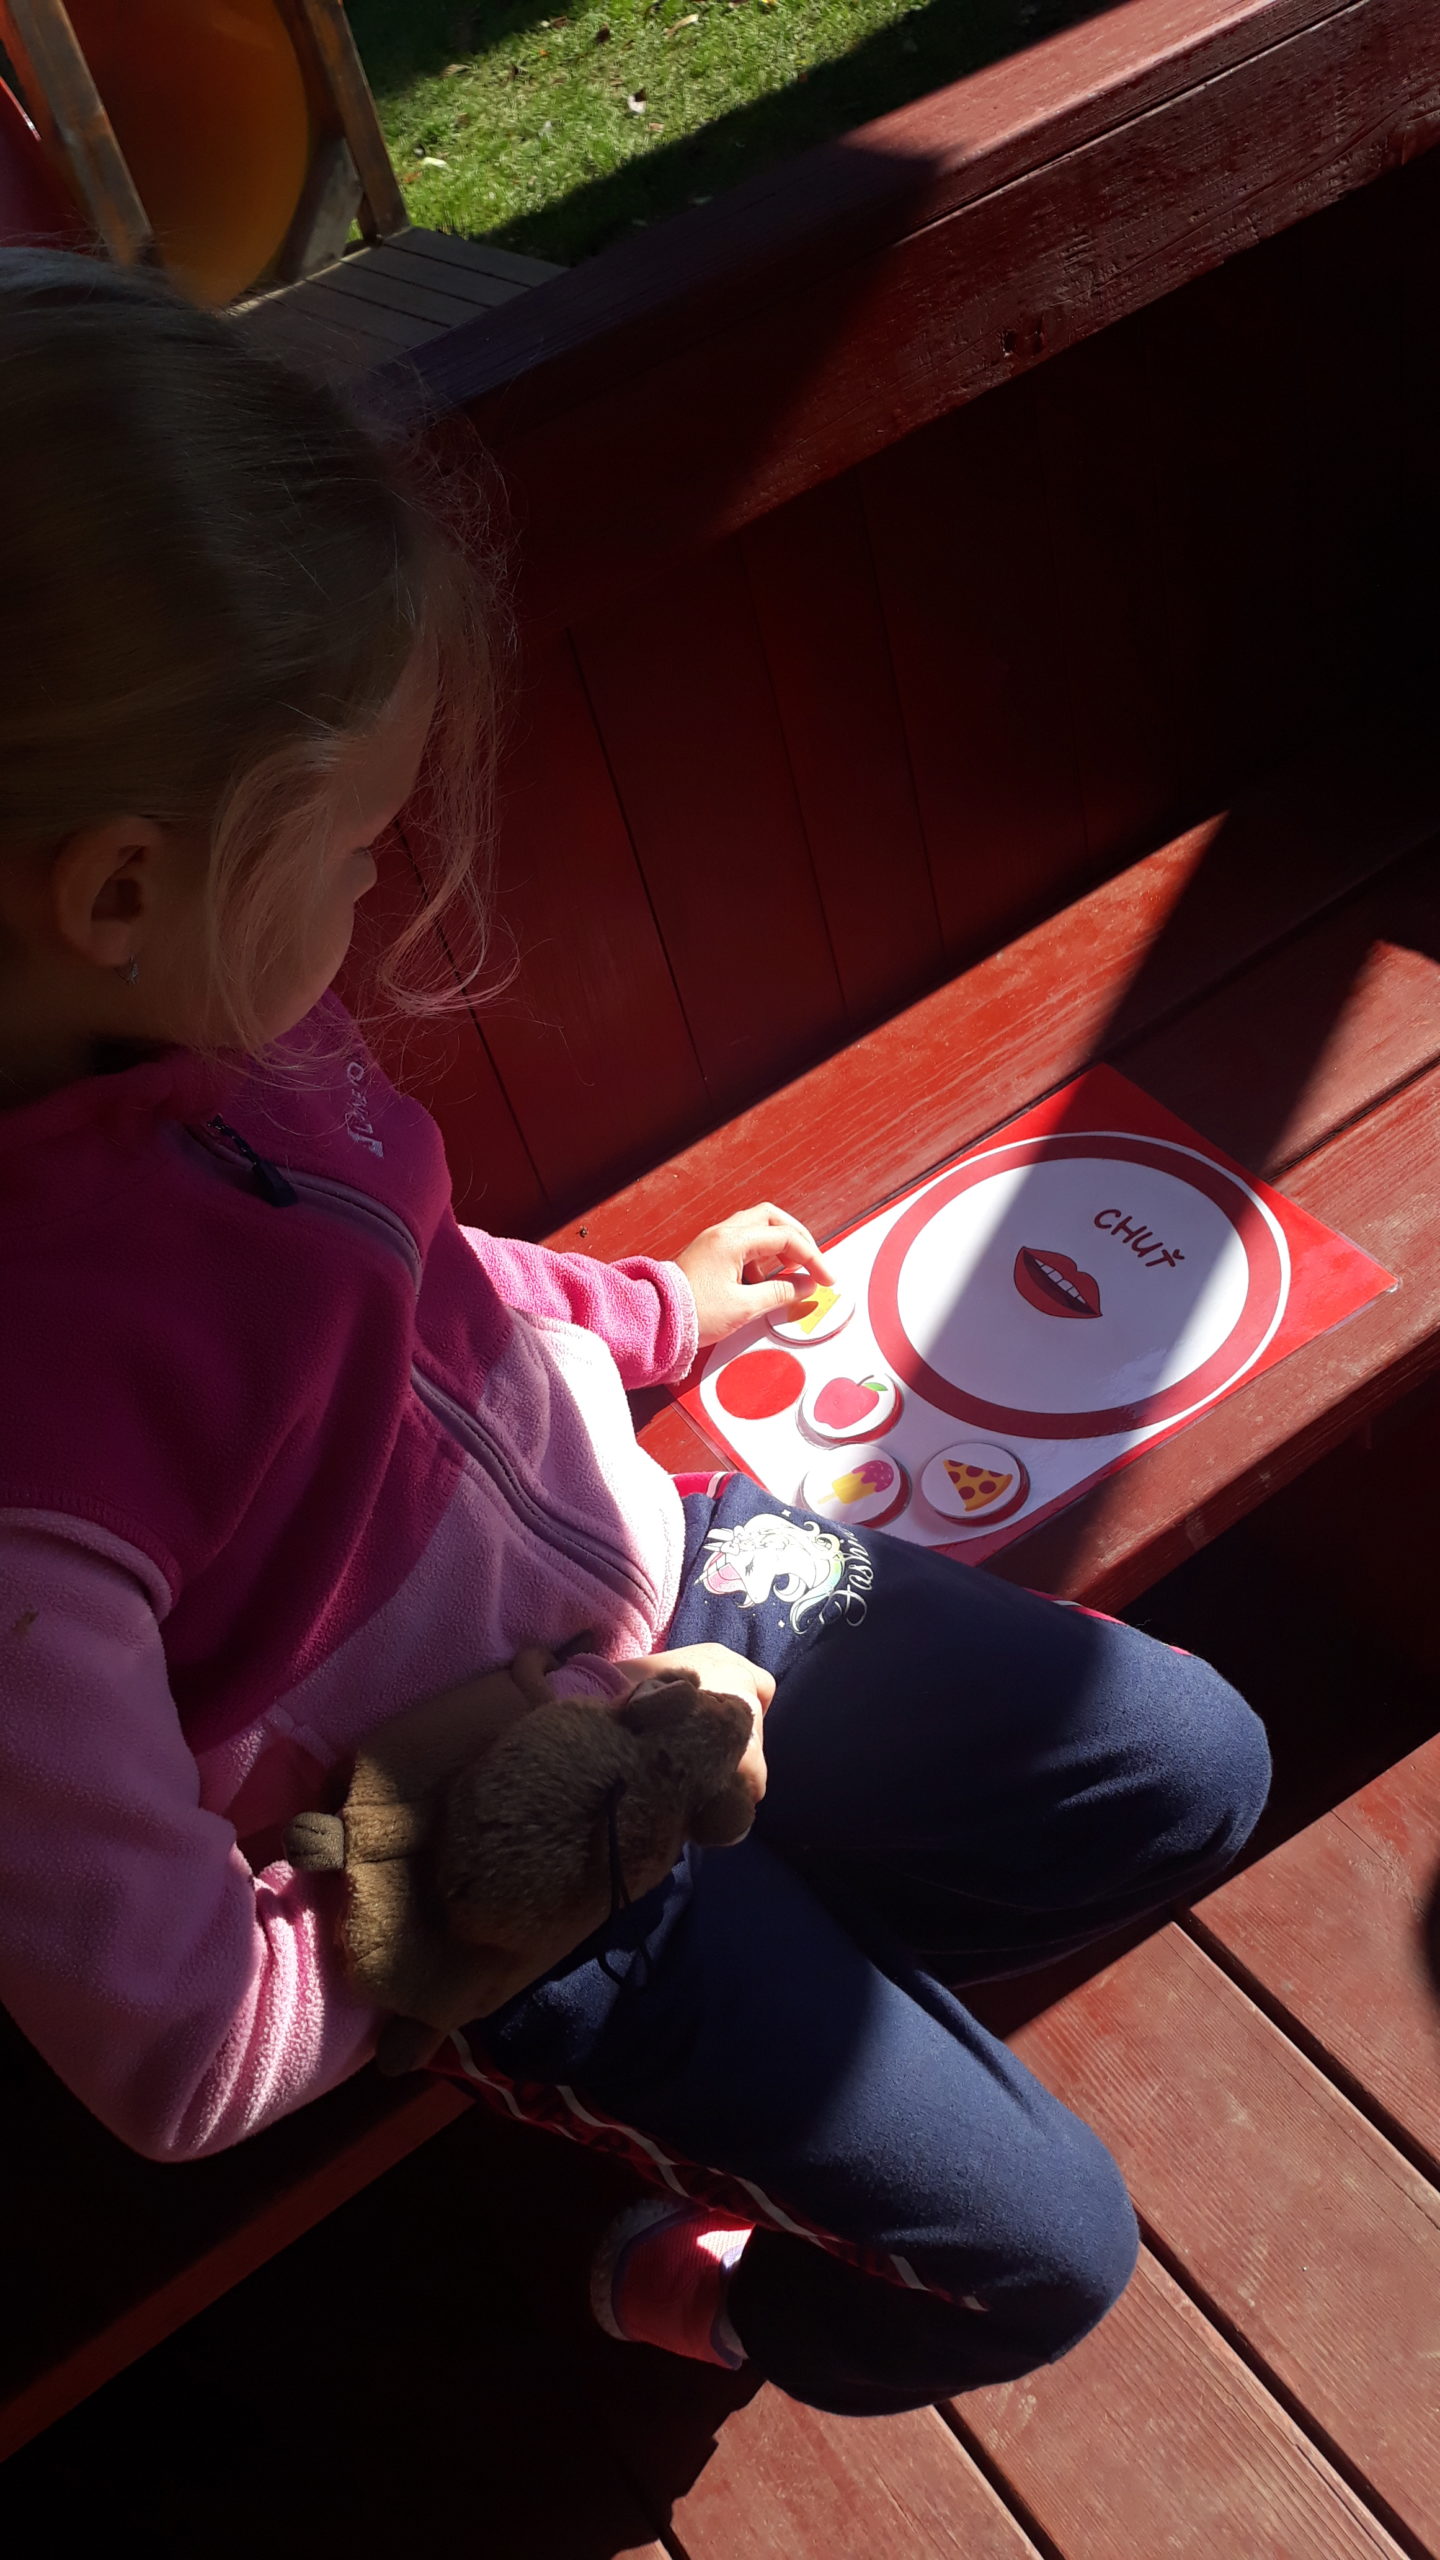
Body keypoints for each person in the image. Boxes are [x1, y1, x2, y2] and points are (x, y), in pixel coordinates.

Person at [0, 251, 1270, 2419]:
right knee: (1039, 2267)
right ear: (119, 887)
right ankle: (670, 2274)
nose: (378, 889)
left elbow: (411, 1277)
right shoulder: (32, 1490)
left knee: (1186, 1762)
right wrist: (545, 1833)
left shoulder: (205, 1023)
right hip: (500, 1864)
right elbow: (180, 2046)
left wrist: (652, 1307)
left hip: (669, 1575)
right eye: (355, 838)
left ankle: (805, 1995)